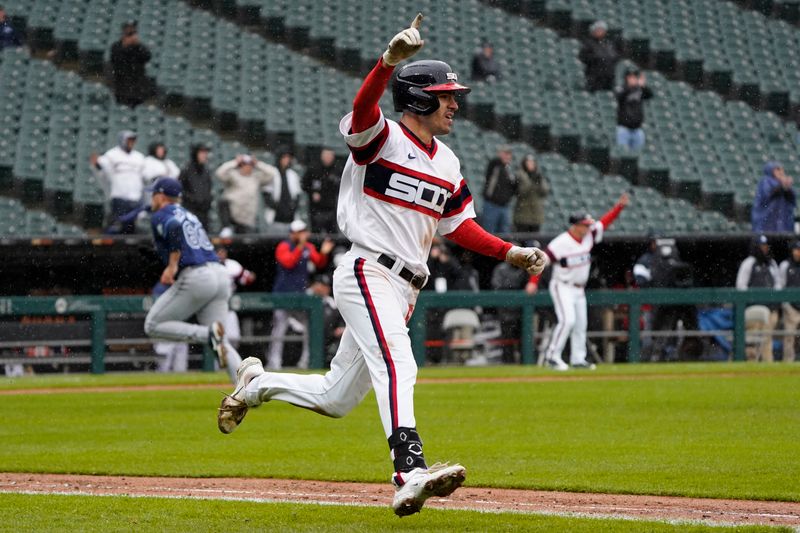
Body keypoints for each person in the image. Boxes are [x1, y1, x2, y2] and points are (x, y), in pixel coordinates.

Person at [216, 14, 547, 517]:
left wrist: (510, 251)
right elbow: (362, 107)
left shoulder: (449, 162)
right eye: (445, 94)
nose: (455, 102)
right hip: (368, 268)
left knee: (335, 397)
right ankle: (410, 472)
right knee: (400, 361)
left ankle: (255, 385)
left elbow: (458, 226)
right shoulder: (382, 138)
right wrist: (388, 62)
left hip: (407, 284)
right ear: (418, 97)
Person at [142, 177, 243, 383]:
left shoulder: (162, 213)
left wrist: (171, 266)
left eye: (153, 193)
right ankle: (249, 389)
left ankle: (206, 334)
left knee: (153, 325)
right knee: (221, 342)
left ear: (161, 196)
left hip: (197, 275)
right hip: (218, 273)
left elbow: (173, 227)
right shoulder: (190, 214)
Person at [541, 194, 629, 370]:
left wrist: (618, 208)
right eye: (585, 224)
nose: (589, 227)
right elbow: (541, 261)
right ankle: (552, 356)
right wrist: (533, 282)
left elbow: (604, 222)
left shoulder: (589, 235)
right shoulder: (561, 242)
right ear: (576, 225)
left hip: (579, 289)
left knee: (581, 324)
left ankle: (578, 359)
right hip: (562, 286)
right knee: (568, 321)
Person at [266, 220, 334, 370]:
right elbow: (288, 262)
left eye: (304, 231)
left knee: (309, 328)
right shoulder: (283, 246)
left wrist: (323, 252)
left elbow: (319, 263)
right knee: (279, 330)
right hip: (282, 295)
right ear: (292, 233)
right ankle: (274, 363)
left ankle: (306, 362)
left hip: (300, 296)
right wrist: (300, 246)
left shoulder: (307, 247)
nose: (303, 234)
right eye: (299, 231)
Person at [89, 130, 146, 234]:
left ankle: (129, 247)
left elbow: (145, 174)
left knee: (131, 226)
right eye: (129, 140)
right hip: (119, 195)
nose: (131, 142)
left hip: (135, 196)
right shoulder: (112, 154)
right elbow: (100, 167)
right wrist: (96, 164)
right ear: (122, 140)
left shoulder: (139, 157)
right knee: (119, 224)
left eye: (133, 140)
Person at [736, 234, 780, 362]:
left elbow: (778, 284)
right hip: (753, 308)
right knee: (752, 340)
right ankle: (751, 366)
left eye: (765, 246)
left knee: (767, 340)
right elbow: (741, 285)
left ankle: (768, 367)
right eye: (761, 246)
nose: (764, 248)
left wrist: (772, 300)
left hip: (770, 308)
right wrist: (754, 299)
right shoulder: (749, 263)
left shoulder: (772, 263)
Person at [215, 154, 278, 235]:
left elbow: (273, 173)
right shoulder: (233, 175)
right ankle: (226, 227)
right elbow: (219, 172)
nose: (247, 167)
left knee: (242, 242)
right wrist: (235, 162)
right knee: (223, 202)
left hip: (246, 218)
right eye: (244, 164)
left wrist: (258, 163)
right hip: (233, 213)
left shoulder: (256, 177)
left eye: (250, 165)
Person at [217, 247, 256, 348]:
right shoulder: (207, 265)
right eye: (218, 252)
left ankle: (230, 362)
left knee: (234, 337)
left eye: (223, 251)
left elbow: (246, 278)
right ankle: (217, 364)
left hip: (229, 306)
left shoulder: (231, 265)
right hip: (214, 307)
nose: (221, 254)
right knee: (216, 340)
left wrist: (250, 277)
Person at [108, 21, 152, 107]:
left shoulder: (138, 47)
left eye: (134, 32)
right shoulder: (116, 46)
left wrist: (137, 45)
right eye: (130, 33)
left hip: (137, 88)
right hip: (122, 88)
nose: (132, 35)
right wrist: (126, 46)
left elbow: (147, 56)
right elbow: (115, 58)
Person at [151, 282, 189, 373]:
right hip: (164, 332)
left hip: (180, 331)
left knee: (181, 369)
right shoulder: (160, 288)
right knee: (163, 369)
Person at [302, 148, 342, 234]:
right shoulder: (313, 168)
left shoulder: (337, 169)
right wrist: (312, 192)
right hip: (316, 210)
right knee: (316, 236)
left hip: (331, 209)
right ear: (322, 156)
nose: (328, 158)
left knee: (332, 237)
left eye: (330, 156)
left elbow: (342, 187)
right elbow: (304, 184)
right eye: (326, 155)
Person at [263, 148, 303, 232]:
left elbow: (297, 196)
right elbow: (266, 194)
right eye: (284, 157)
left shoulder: (293, 174)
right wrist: (277, 207)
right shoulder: (272, 173)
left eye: (288, 158)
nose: (287, 160)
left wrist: (292, 208)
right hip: (276, 216)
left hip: (290, 217)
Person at [481, 145, 517, 234]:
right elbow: (494, 164)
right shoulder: (495, 165)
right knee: (489, 233)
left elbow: (514, 187)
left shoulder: (509, 170)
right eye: (505, 153)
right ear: (500, 154)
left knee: (504, 233)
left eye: (509, 154)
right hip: (492, 204)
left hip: (504, 206)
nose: (507, 156)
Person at [751, 162, 796, 233]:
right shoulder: (765, 181)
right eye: (777, 169)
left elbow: (792, 199)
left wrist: (787, 187)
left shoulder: (782, 182)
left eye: (781, 169)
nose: (781, 172)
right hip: (767, 222)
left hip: (782, 223)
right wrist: (782, 186)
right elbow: (768, 194)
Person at [615, 68, 653, 151]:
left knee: (638, 154)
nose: (634, 79)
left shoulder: (639, 90)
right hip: (624, 129)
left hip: (637, 130)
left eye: (635, 77)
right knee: (624, 155)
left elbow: (650, 95)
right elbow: (619, 97)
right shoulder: (621, 88)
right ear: (627, 78)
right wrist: (630, 87)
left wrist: (643, 86)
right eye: (631, 77)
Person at [579, 20, 619, 92]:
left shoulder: (608, 43)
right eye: (598, 30)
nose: (600, 32)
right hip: (595, 76)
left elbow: (614, 56)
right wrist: (597, 58)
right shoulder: (588, 43)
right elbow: (583, 57)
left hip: (609, 75)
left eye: (602, 30)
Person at [178, 144, 212, 228]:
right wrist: (192, 199)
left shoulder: (206, 172)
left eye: (205, 153)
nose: (204, 155)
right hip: (190, 211)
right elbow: (179, 189)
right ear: (195, 154)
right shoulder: (186, 170)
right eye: (201, 153)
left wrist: (207, 201)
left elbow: (209, 189)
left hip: (204, 213)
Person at [513, 154, 548, 233]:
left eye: (532, 162)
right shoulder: (519, 175)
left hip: (536, 214)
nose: (531, 164)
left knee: (534, 241)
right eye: (528, 162)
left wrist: (539, 182)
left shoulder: (538, 175)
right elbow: (521, 192)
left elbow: (544, 191)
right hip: (523, 214)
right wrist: (529, 181)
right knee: (522, 240)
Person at [778, 240, 800, 363]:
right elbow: (780, 286)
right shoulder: (785, 265)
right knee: (789, 337)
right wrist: (786, 304)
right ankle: (788, 362)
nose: (798, 253)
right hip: (791, 308)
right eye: (796, 250)